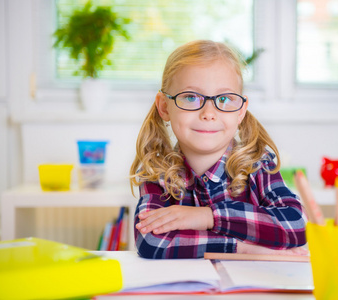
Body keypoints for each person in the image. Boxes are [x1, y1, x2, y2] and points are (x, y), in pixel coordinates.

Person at [130, 40, 306, 259]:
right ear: (164, 107)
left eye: (224, 99)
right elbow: (151, 242)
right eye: (191, 97)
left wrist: (209, 217)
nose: (209, 113)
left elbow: (296, 224)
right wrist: (241, 248)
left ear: (241, 110)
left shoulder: (258, 164)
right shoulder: (158, 172)